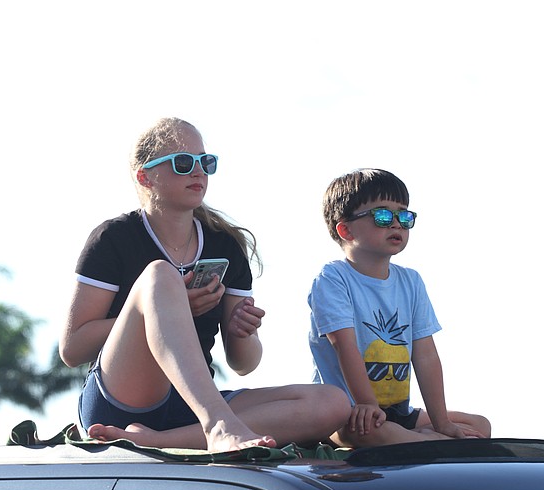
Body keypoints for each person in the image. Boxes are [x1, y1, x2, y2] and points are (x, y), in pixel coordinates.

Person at [59, 117, 350, 452]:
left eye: (205, 162)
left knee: (333, 403)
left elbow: (243, 364)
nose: (198, 172)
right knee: (160, 276)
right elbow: (72, 349)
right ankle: (218, 426)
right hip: (122, 403)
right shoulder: (114, 238)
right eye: (183, 163)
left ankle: (158, 441)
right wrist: (164, 307)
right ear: (145, 176)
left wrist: (243, 332)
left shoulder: (224, 244)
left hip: (191, 408)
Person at [308, 168, 491, 448]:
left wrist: (442, 422)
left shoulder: (411, 281)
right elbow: (345, 346)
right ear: (345, 230)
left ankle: (425, 440)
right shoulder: (333, 278)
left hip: (398, 414)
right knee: (372, 432)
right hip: (352, 415)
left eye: (404, 217)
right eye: (382, 216)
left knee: (479, 425)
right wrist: (368, 404)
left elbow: (426, 355)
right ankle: (429, 444)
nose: (396, 224)